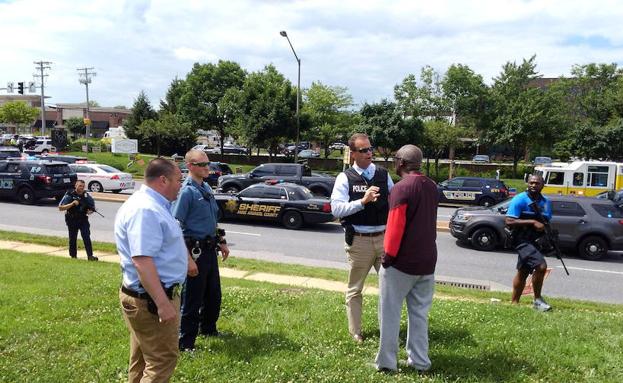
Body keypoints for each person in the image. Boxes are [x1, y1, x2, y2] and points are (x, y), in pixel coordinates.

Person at [115, 158, 197, 383]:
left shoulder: (156, 204)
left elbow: (165, 241)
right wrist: (163, 304)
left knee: (142, 358)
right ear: (163, 180)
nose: (181, 185)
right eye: (179, 180)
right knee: (162, 360)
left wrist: (186, 260)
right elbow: (142, 260)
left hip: (146, 297)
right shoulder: (145, 210)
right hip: (150, 300)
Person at [375, 145, 438, 373]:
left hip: (401, 263)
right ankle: (420, 362)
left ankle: (386, 364)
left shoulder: (401, 188)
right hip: (427, 262)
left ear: (400, 162)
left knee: (389, 314)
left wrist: (388, 257)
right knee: (419, 315)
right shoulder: (432, 186)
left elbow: (395, 226)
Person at [330, 132, 394, 343]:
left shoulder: (383, 174)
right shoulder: (345, 177)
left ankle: (388, 330)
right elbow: (336, 209)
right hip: (359, 241)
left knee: (390, 287)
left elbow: (394, 202)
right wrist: (362, 202)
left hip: (384, 239)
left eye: (370, 148)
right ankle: (356, 332)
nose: (369, 153)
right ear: (353, 154)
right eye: (364, 150)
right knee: (355, 288)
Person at [172, 149, 230, 351]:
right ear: (190, 166)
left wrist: (221, 241)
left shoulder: (205, 187)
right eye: (203, 164)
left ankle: (208, 328)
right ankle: (185, 342)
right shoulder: (186, 191)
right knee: (192, 299)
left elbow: (213, 220)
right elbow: (175, 227)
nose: (208, 168)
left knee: (213, 294)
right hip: (194, 252)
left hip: (209, 249)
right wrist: (187, 259)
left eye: (208, 164)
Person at [506, 174, 553, 312]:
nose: (533, 185)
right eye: (531, 182)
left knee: (523, 271)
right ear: (528, 183)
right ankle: (537, 301)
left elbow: (546, 221)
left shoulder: (546, 202)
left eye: (537, 183)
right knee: (541, 266)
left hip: (536, 241)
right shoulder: (520, 199)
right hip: (521, 240)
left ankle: (514, 303)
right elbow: (509, 221)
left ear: (542, 185)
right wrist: (532, 222)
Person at [58, 179, 98, 261]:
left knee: (86, 236)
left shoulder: (86, 195)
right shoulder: (69, 195)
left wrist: (90, 211)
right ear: (75, 186)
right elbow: (60, 208)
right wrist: (72, 203)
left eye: (83, 186)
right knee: (73, 238)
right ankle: (73, 256)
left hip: (83, 219)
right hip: (72, 219)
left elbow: (92, 207)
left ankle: (90, 256)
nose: (81, 188)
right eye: (80, 186)